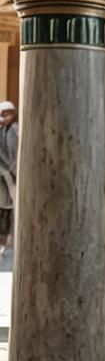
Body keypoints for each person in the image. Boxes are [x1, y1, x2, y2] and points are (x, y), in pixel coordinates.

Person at [0, 101, 17, 257]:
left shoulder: (14, 130)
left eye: (7, 114)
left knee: (9, 212)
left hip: (12, 178)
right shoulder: (3, 130)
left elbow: (15, 157)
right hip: (4, 178)